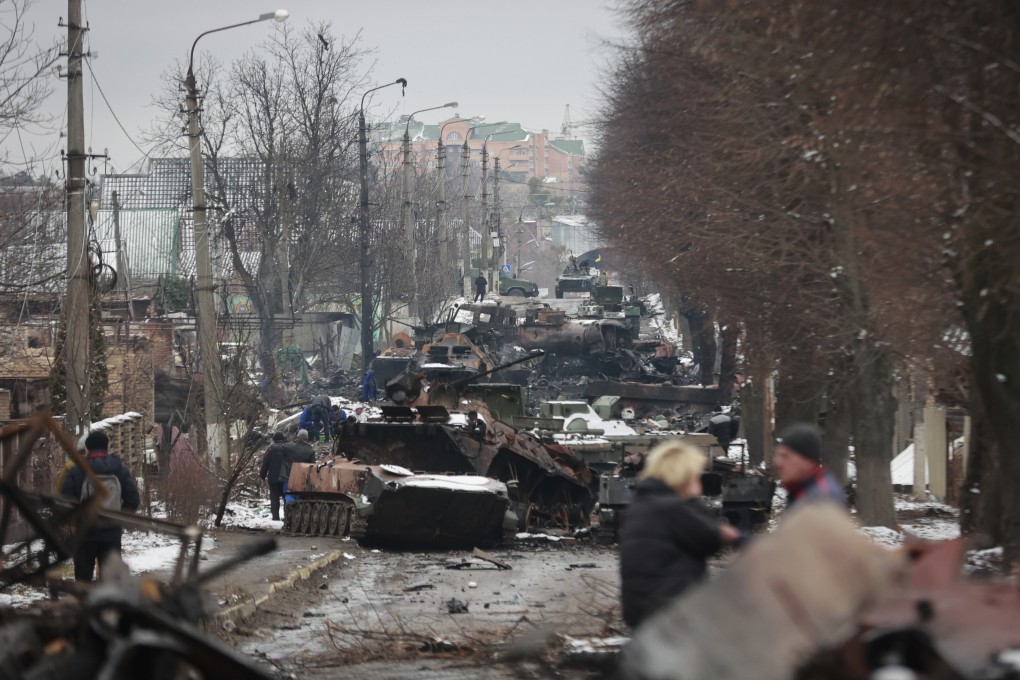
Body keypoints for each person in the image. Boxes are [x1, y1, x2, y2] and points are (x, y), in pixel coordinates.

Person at [619, 440, 741, 628]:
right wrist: (692, 499)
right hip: (669, 612)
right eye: (694, 474)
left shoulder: (644, 504)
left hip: (647, 610)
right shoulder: (670, 508)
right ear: (683, 475)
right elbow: (710, 539)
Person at [61, 430, 141, 583]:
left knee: (83, 580)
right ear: (107, 446)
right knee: (110, 582)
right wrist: (119, 517)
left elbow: (65, 501)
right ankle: (107, 606)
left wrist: (76, 520)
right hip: (111, 533)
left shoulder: (78, 470)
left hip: (85, 533)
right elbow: (133, 499)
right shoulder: (118, 469)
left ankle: (83, 605)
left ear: (88, 448)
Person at [772, 423, 846, 511]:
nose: (777, 463)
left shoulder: (822, 499)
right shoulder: (802, 490)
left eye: (786, 456)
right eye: (778, 455)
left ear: (808, 461)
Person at [259, 432, 289, 521]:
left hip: (273, 479)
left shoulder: (270, 450)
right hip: (285, 479)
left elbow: (265, 464)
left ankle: (275, 518)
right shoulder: (288, 449)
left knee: (275, 499)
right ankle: (287, 517)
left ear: (274, 440)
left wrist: (262, 476)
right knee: (286, 498)